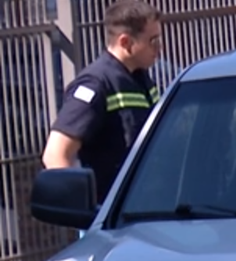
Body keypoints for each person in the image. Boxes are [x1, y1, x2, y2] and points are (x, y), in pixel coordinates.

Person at [42, 0, 163, 204]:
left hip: (147, 208)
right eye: (153, 41)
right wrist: (85, 211)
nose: (160, 48)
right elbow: (55, 155)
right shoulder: (95, 85)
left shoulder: (140, 79)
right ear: (126, 43)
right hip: (113, 222)